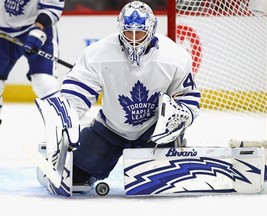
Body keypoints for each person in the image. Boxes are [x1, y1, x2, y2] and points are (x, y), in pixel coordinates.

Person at [37, 0, 201, 192]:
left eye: (139, 32)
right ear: (119, 29)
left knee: (160, 184)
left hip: (154, 133)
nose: (133, 39)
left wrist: (177, 118)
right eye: (127, 32)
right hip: (110, 129)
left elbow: (187, 96)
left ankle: (171, 148)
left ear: (151, 30)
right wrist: (67, 120)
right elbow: (78, 90)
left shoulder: (175, 57)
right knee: (73, 178)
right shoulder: (98, 53)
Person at [0, 1, 65, 125]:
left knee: (44, 81)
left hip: (35, 27)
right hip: (1, 30)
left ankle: (64, 127)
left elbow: (51, 7)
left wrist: (38, 29)